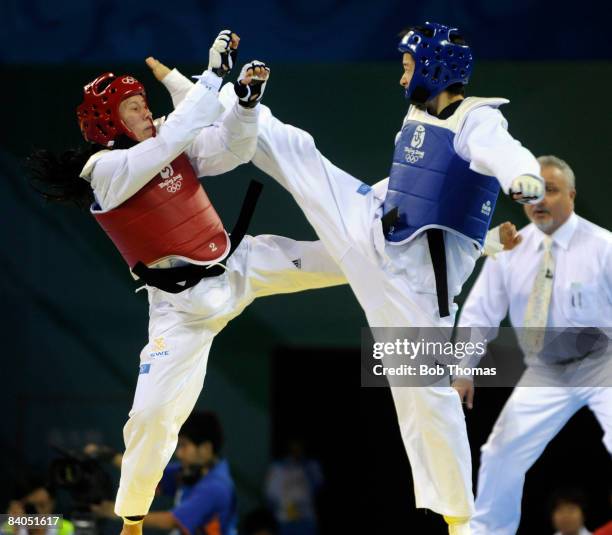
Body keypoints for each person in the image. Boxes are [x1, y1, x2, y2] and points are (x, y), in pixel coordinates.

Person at [223, 21, 543, 534]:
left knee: (424, 396)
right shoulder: (418, 111)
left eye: (408, 67)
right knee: (301, 157)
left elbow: (501, 155)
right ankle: (222, 101)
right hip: (375, 230)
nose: (401, 78)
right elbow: (416, 184)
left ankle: (461, 519)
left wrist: (521, 177)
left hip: (415, 287)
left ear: (437, 69)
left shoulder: (478, 121)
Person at [27, 30, 346, 535]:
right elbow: (179, 132)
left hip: (240, 263)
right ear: (107, 121)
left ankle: (428, 245)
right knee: (152, 417)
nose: (144, 114)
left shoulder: (161, 139)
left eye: (142, 104)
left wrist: (243, 105)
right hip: (182, 312)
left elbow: (230, 151)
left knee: (347, 258)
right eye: (132, 109)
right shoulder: (107, 169)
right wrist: (212, 76)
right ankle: (131, 519)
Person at [453, 155, 612, 534]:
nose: (539, 201)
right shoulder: (510, 252)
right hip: (545, 372)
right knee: (500, 452)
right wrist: (462, 371)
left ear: (571, 195)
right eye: (532, 193)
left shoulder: (604, 246)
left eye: (551, 191)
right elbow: (479, 314)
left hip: (603, 361)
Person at [91, 411, 237, 535]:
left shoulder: (216, 488)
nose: (178, 453)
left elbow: (171, 521)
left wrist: (116, 511)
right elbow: (149, 475)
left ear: (205, 448)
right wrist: (108, 455)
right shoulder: (193, 470)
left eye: (184, 445)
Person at [265, 439, 323, 535]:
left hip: (306, 517)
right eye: (293, 449)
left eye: (299, 448)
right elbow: (270, 494)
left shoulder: (311, 465)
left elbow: (318, 485)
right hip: (285, 518)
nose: (296, 452)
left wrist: (305, 467)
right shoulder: (278, 467)